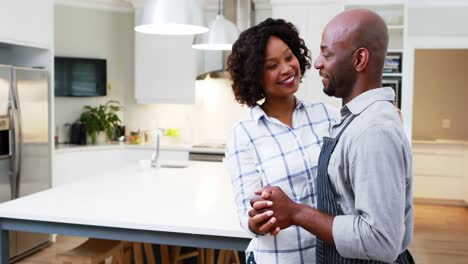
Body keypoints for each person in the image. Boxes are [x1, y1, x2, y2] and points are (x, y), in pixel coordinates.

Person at [250, 9, 415, 263]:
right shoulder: (355, 119)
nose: (316, 63)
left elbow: (382, 240)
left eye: (327, 53)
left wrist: (295, 212)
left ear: (359, 60)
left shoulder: (373, 130)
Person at [225, 18, 337, 263]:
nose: (286, 69)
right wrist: (257, 222)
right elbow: (246, 210)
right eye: (272, 65)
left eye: (289, 57)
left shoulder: (327, 116)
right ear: (255, 76)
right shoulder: (244, 134)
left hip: (331, 255)